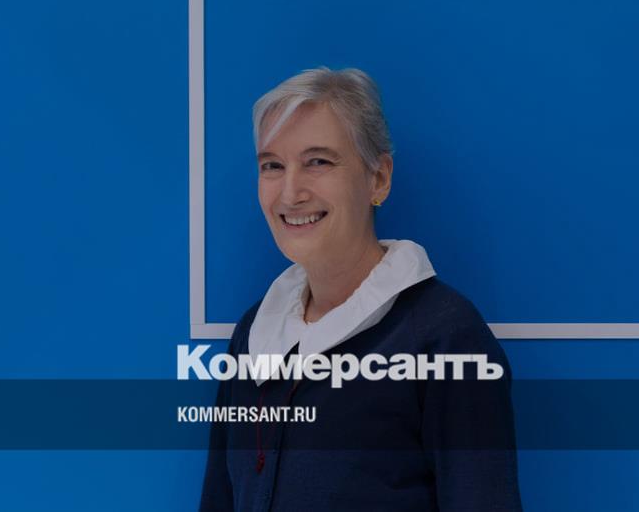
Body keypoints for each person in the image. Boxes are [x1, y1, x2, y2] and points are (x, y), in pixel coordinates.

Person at [199, 67, 523, 511]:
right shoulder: (254, 333)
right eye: (272, 165)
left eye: (318, 161)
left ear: (379, 178)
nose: (290, 193)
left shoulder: (445, 337)